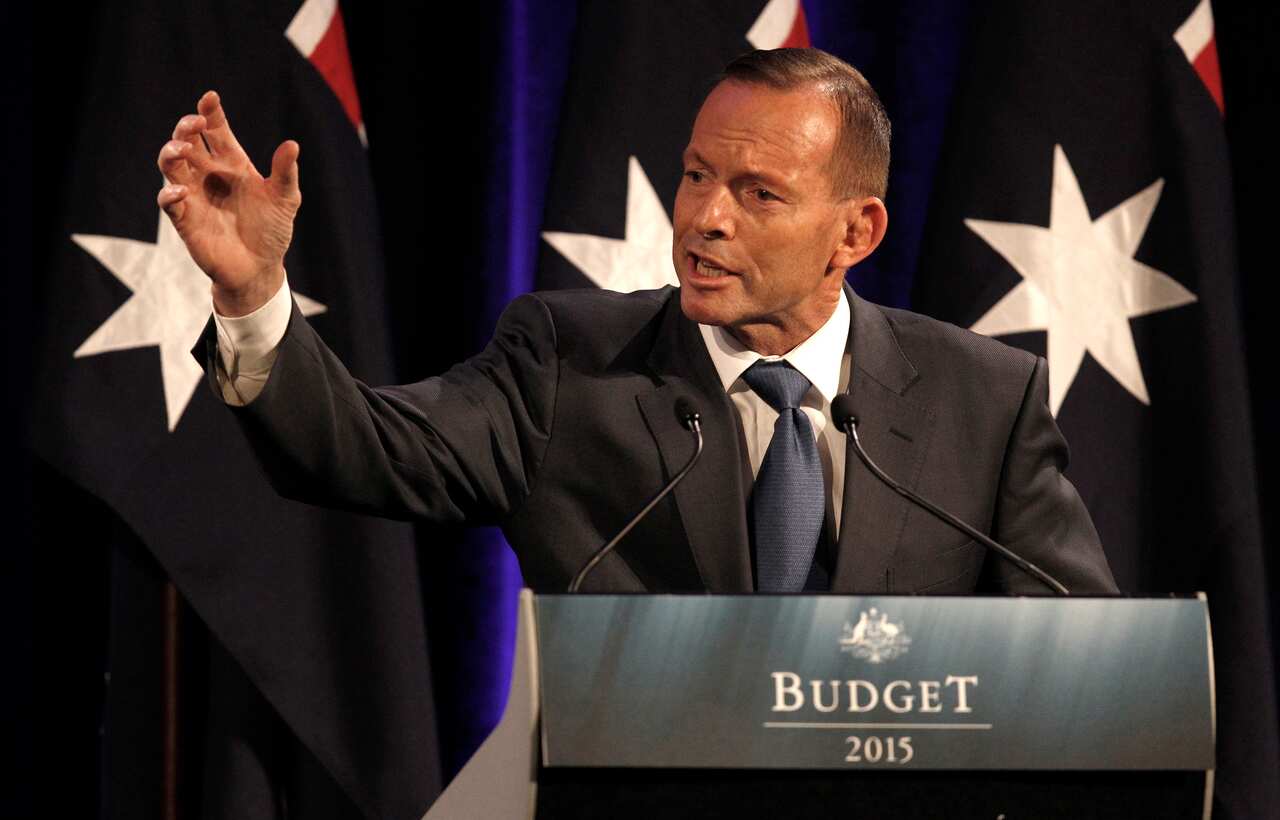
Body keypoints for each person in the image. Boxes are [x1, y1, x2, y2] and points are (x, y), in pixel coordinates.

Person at [156, 48, 1117, 595]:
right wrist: (252, 292)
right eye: (697, 175)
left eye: (759, 193)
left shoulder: (983, 402)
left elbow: (1084, 667)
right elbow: (360, 449)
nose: (705, 216)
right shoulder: (569, 364)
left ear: (855, 231)